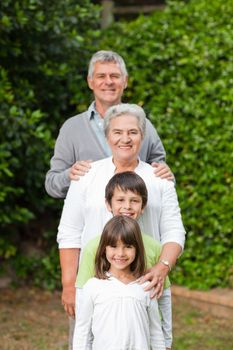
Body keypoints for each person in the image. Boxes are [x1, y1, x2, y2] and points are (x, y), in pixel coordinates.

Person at [57, 103, 185, 325]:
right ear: (107, 136)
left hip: (143, 285)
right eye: (117, 132)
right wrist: (69, 284)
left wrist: (162, 267)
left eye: (132, 132)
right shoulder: (86, 176)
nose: (125, 139)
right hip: (93, 282)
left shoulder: (159, 179)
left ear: (142, 136)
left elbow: (174, 231)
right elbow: (69, 231)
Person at [45, 50, 174, 199]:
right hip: (91, 221)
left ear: (125, 81)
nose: (108, 82)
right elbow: (52, 185)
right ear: (90, 81)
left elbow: (164, 178)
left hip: (136, 220)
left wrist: (167, 175)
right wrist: (70, 175)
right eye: (101, 76)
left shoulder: (145, 125)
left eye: (115, 76)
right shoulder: (72, 128)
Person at [76, 171, 173, 349]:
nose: (127, 206)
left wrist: (166, 341)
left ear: (143, 206)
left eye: (134, 200)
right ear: (108, 204)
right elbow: (83, 302)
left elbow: (163, 296)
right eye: (120, 200)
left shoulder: (154, 247)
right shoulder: (93, 248)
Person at [73, 215, 166, 350]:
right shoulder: (93, 286)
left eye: (128, 246)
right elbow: (82, 332)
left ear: (137, 249)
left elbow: (155, 333)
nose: (120, 253)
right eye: (113, 246)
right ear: (104, 248)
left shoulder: (146, 286)